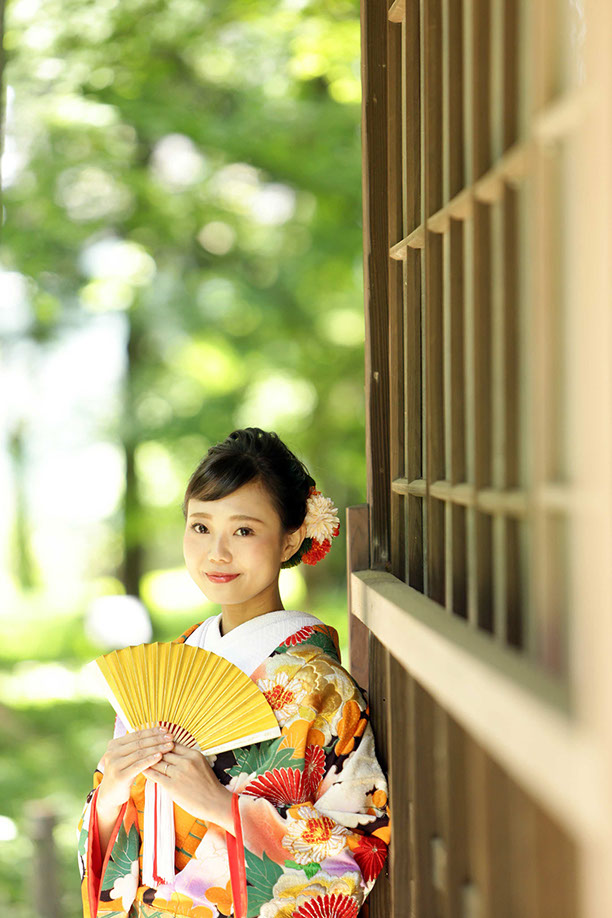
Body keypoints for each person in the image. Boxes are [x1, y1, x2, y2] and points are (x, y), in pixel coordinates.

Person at [77, 427, 390, 918]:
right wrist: (111, 794)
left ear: (290, 539)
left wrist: (222, 806)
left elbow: (358, 852)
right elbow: (115, 839)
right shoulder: (169, 668)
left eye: (243, 530)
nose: (217, 553)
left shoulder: (321, 687)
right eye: (200, 527)